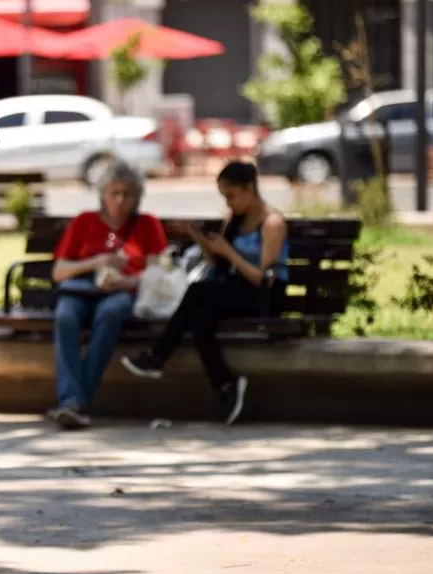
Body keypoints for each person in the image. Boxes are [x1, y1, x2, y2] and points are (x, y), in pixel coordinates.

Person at [121, 161, 289, 425]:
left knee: (199, 293)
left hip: (265, 295)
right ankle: (226, 386)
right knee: (200, 318)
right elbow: (219, 266)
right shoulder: (235, 220)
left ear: (249, 188)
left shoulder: (272, 223)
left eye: (232, 196)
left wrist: (229, 252)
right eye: (224, 197)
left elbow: (263, 279)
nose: (229, 203)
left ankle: (158, 356)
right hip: (236, 290)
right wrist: (199, 239)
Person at [48, 162, 168, 430]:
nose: (120, 200)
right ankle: (74, 402)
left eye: (127, 194)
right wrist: (97, 262)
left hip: (122, 290)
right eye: (114, 193)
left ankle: (72, 402)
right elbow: (59, 272)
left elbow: (155, 273)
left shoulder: (147, 224)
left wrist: (126, 280)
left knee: (110, 314)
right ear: (103, 194)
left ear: (137, 197)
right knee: (65, 317)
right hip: (80, 288)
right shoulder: (84, 221)